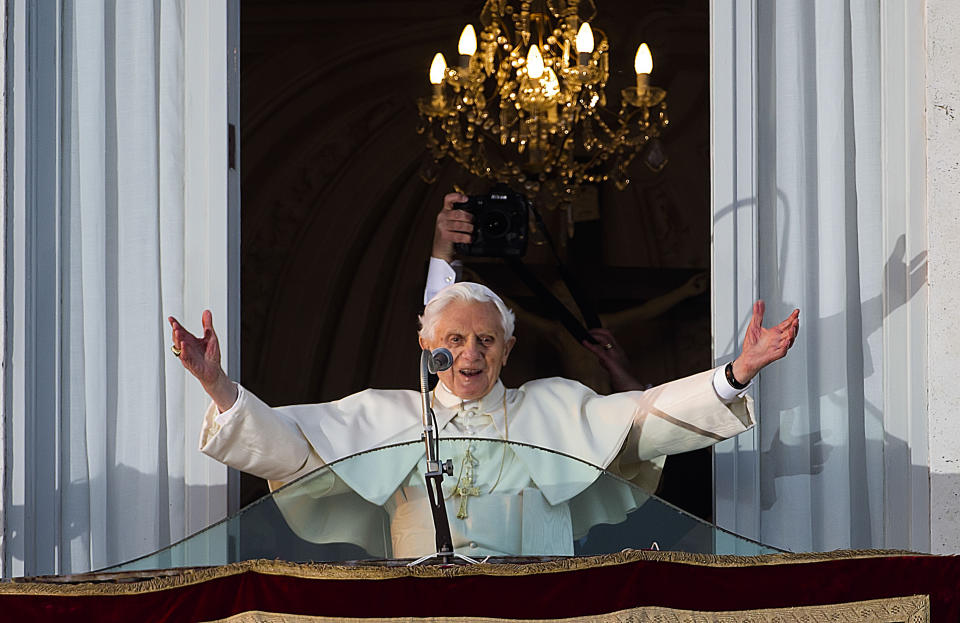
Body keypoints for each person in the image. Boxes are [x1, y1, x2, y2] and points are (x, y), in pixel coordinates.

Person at [169, 278, 798, 558]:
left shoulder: (552, 407)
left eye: (487, 341)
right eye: (457, 340)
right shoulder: (384, 414)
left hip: (539, 606)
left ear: (507, 349)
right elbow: (290, 446)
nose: (472, 353)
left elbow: (641, 420)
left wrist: (734, 373)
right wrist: (218, 385)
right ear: (428, 348)